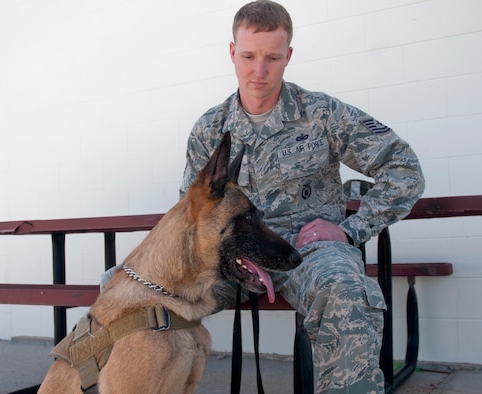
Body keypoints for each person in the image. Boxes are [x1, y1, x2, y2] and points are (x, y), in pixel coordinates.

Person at [179, 1, 425, 393]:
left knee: (345, 286)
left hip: (306, 253)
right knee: (131, 287)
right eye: (248, 56)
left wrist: (350, 230)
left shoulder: (322, 114)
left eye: (272, 58)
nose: (259, 71)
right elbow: (191, 213)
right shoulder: (211, 128)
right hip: (232, 258)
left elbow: (404, 168)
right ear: (232, 52)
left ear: (288, 55)